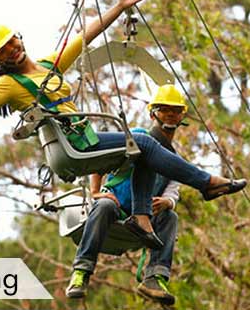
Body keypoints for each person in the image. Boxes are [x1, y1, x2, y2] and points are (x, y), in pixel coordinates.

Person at [0, 0, 246, 259]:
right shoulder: (8, 86)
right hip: (75, 147)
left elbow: (85, 36)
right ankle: (205, 183)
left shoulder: (50, 66)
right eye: (3, 52)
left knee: (142, 149)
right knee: (142, 141)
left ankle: (145, 217)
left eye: (12, 43)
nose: (12, 52)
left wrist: (120, 6)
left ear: (20, 38)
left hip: (85, 139)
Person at [66, 85, 188, 304]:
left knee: (171, 217)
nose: (170, 114)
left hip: (144, 220)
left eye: (175, 110)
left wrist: (167, 202)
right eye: (164, 109)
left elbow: (173, 190)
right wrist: (95, 192)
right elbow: (102, 160)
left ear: (182, 115)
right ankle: (81, 272)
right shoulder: (138, 138)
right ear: (153, 113)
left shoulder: (173, 158)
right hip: (116, 207)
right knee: (103, 207)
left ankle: (155, 277)